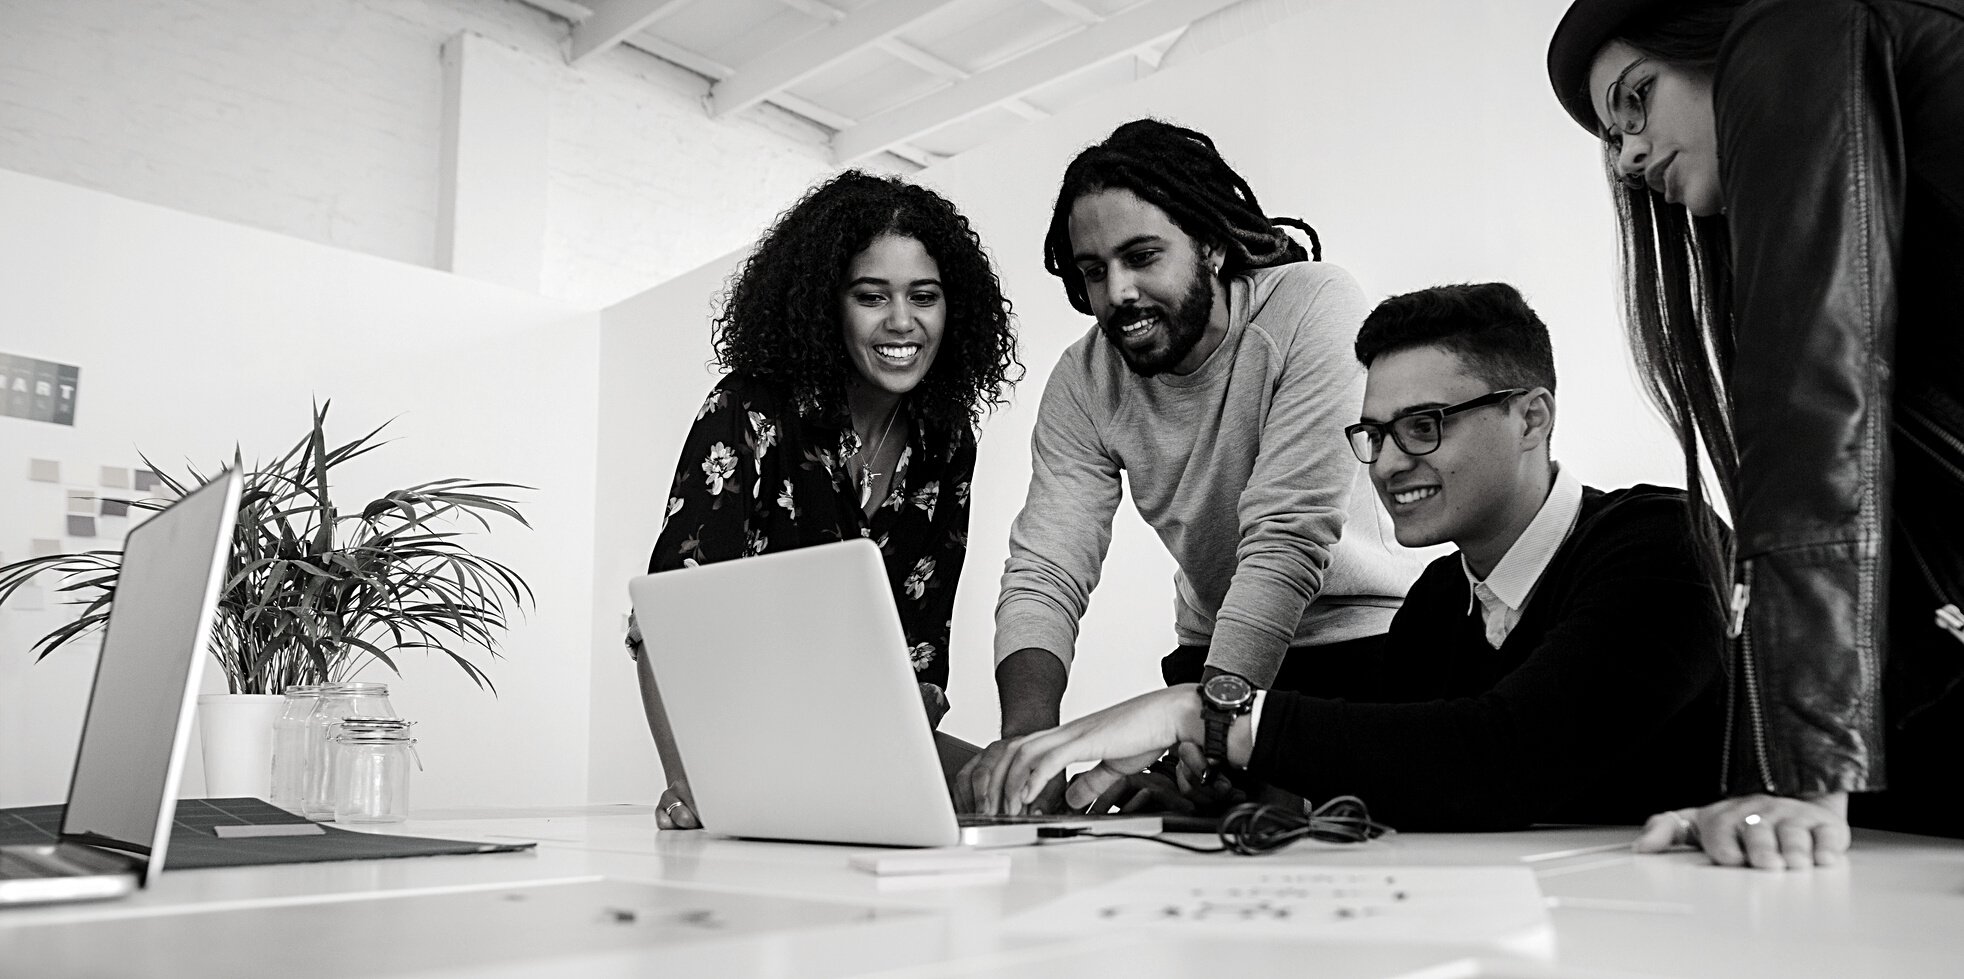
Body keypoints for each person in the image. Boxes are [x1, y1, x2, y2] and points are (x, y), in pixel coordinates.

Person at [968, 282, 1728, 827]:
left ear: (1532, 417)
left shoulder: (1665, 544)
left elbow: (1508, 760)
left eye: (1425, 425)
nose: (1389, 464)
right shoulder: (1438, 603)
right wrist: (1213, 797)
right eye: (1374, 433)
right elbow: (1396, 780)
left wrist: (1196, 709)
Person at [1545, 0, 1964, 869]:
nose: (1625, 153)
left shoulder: (1798, 21)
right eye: (1608, 135)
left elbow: (1814, 387)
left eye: (1636, 98)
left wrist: (1796, 770)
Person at [953, 119, 1426, 813]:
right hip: (1210, 654)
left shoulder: (1313, 303)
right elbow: (1047, 570)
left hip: (1363, 651)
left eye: (1142, 255)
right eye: (1093, 271)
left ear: (1208, 243)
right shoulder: (1083, 381)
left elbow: (1286, 540)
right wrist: (1028, 749)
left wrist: (1209, 723)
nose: (1116, 292)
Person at [630, 171, 1021, 830]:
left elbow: (919, 655)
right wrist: (688, 779)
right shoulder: (748, 408)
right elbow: (665, 626)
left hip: (860, 743)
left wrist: (888, 769)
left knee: (1017, 786)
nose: (903, 321)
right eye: (872, 296)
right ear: (825, 304)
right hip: (736, 748)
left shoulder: (948, 440)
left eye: (923, 296)